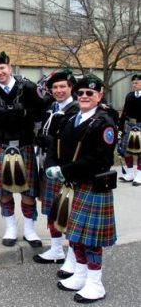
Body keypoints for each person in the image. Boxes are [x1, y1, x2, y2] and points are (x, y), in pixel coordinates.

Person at [46, 74, 116, 303]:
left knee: (91, 240)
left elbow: (98, 158)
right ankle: (81, 274)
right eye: (82, 92)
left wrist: (65, 171)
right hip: (73, 184)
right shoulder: (71, 119)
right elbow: (56, 146)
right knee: (75, 236)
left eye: (90, 93)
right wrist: (52, 166)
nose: (85, 96)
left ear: (100, 96)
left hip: (93, 185)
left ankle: (96, 284)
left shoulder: (105, 123)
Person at [0, 52, 44, 247]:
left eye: (2, 68)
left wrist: (25, 112)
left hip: (24, 143)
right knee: (4, 191)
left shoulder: (29, 88)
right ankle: (10, 229)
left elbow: (41, 110)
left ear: (10, 68)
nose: (0, 72)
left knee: (28, 192)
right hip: (0, 145)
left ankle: (30, 230)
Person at [33, 70, 79, 277]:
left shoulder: (76, 109)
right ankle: (56, 249)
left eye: (63, 87)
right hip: (48, 165)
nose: (59, 90)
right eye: (55, 87)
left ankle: (72, 257)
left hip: (66, 170)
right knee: (53, 210)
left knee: (67, 214)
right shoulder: (52, 107)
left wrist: (53, 143)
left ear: (71, 88)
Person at [118, 73, 141, 185]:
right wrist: (120, 126)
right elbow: (125, 111)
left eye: (136, 82)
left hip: (140, 125)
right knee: (126, 151)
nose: (134, 85)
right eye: (133, 83)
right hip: (129, 124)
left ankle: (139, 176)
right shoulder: (129, 96)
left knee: (140, 152)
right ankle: (130, 174)